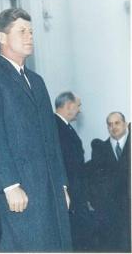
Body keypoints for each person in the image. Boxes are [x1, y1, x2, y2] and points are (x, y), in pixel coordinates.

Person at [0, 7, 72, 252]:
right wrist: (10, 185)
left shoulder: (37, 81)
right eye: (22, 31)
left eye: (32, 31)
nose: (29, 36)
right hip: (19, 192)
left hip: (50, 192)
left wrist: (62, 186)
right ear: (2, 38)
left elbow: (51, 139)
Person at [54, 91, 95, 251]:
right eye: (78, 106)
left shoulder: (64, 126)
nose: (79, 110)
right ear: (69, 106)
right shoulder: (55, 126)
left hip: (75, 193)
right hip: (69, 194)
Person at [88, 112, 131, 252]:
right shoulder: (100, 148)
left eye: (117, 123)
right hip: (110, 215)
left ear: (125, 123)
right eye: (110, 124)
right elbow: (94, 180)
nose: (113, 127)